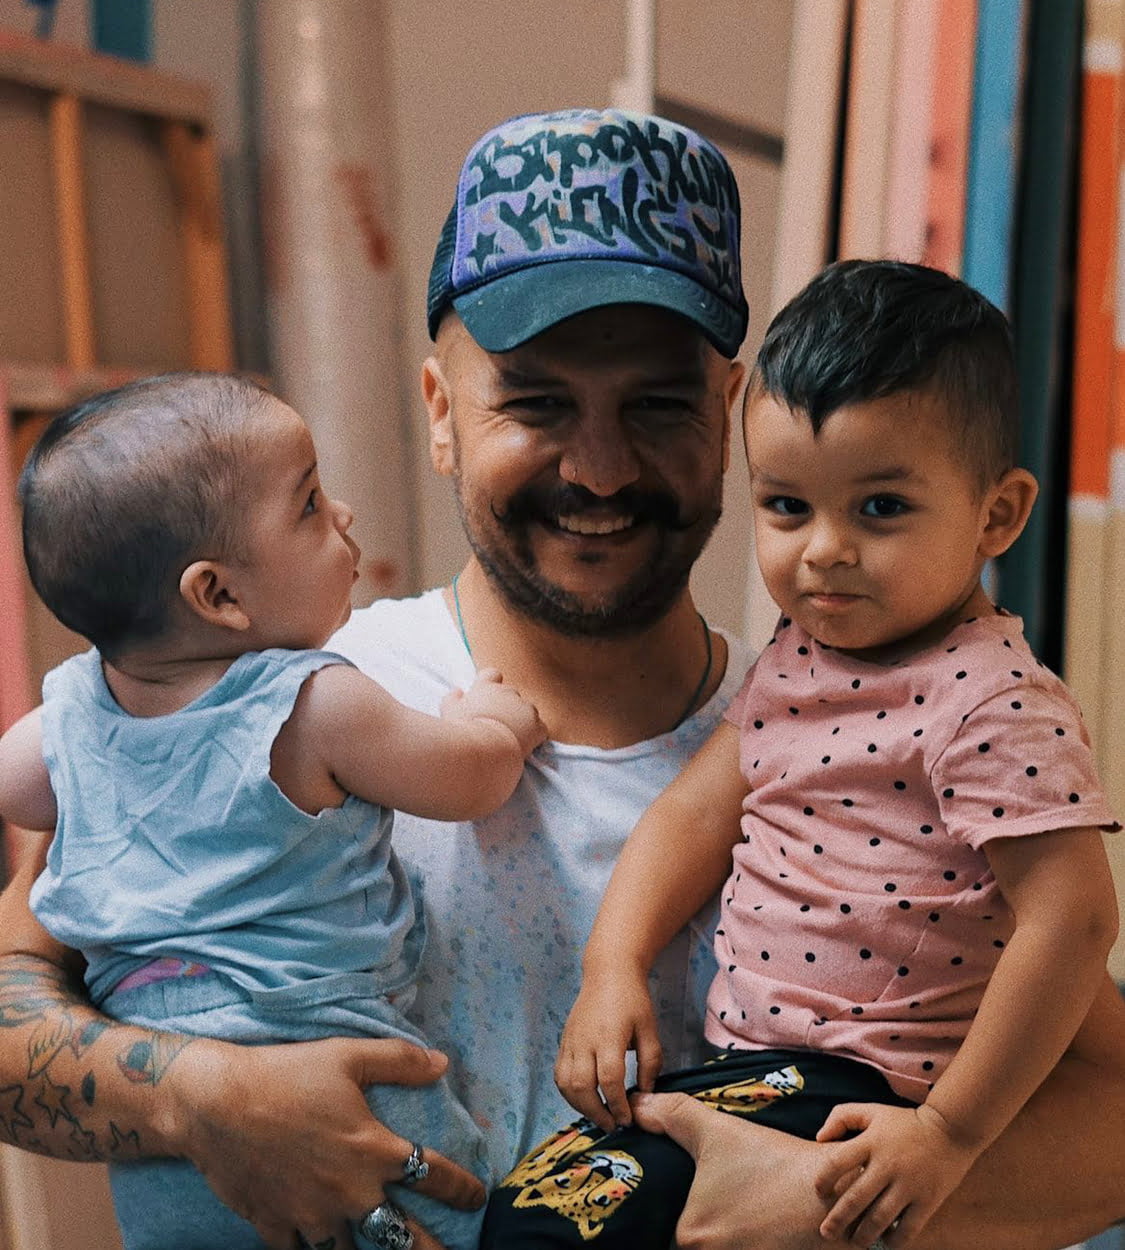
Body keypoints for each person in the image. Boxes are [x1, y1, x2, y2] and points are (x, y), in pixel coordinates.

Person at [0, 108, 1122, 1250]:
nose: (598, 466)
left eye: (657, 404)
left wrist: (827, 1209)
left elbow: (1113, 1108)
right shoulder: (261, 694)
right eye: (535, 402)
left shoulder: (850, 744)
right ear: (442, 412)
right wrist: (194, 1094)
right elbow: (10, 1020)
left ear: (728, 412)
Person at [485, 259, 1121, 1249]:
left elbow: (1075, 918)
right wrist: (612, 966)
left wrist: (949, 1132)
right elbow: (696, 815)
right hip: (754, 1071)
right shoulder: (799, 657)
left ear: (995, 515)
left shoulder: (991, 702)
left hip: (877, 1089)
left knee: (559, 1231)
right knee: (530, 1208)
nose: (823, 549)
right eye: (788, 506)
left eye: (878, 508)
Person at [0, 372, 546, 1250]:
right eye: (307, 504)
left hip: (163, 1162)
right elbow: (471, 780)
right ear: (217, 596)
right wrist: (494, 720)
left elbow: (15, 791)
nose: (345, 513)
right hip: (344, 1073)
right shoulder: (312, 704)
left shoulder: (65, 718)